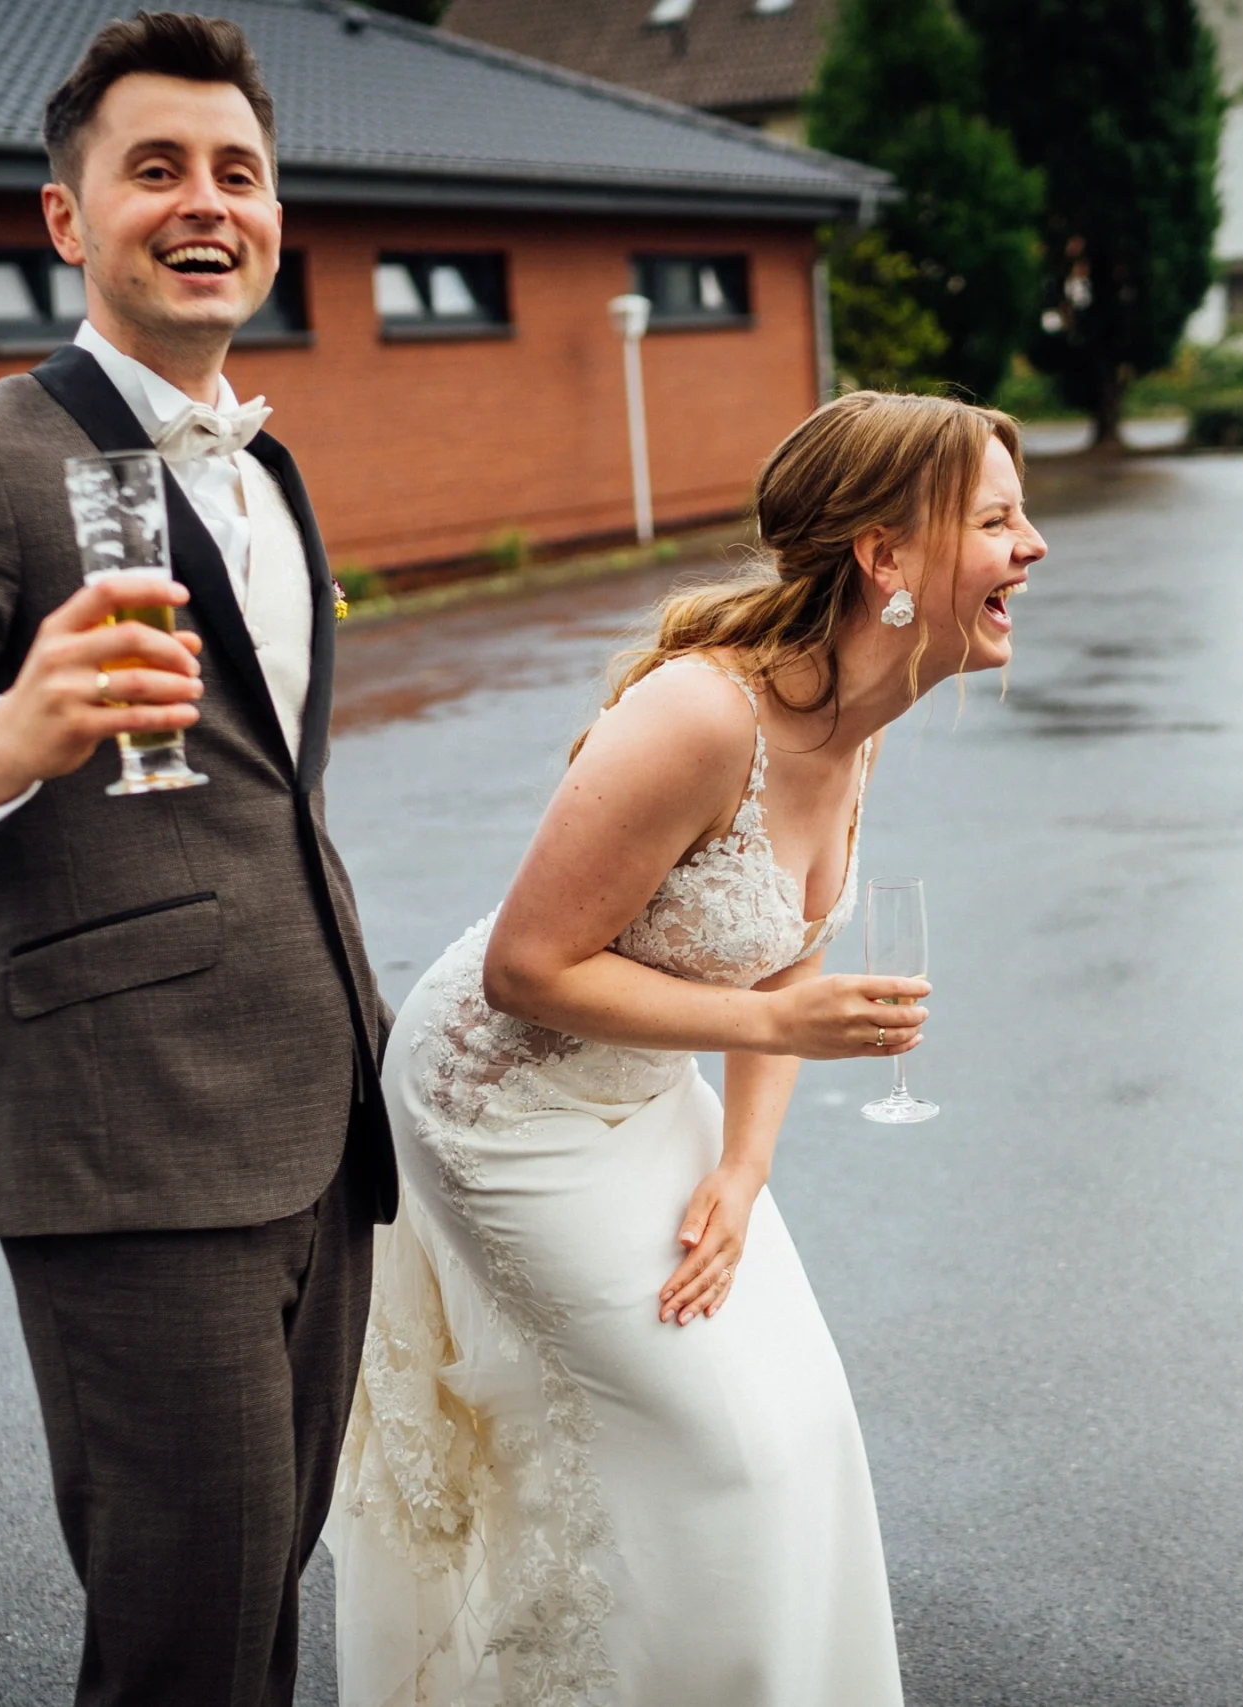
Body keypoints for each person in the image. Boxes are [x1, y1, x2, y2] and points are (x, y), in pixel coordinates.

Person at [0, 15, 395, 1705]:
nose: (207, 203)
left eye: (239, 172)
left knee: (265, 1614)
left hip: (325, 1129)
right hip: (128, 1149)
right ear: (67, 218)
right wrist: (10, 736)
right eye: (157, 170)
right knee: (180, 1651)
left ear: (276, 215)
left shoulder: (265, 465)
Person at [324, 390, 1046, 1706]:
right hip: (497, 1100)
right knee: (719, 1448)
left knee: (804, 1419)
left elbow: (789, 950)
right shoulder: (704, 716)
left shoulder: (857, 721)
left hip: (645, 1087)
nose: (1033, 545)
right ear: (886, 557)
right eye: (997, 520)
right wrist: (774, 1026)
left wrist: (746, 1167)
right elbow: (527, 967)